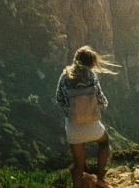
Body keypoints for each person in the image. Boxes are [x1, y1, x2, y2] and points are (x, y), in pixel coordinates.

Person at [56, 46, 119, 188]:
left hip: (73, 126)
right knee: (104, 142)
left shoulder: (64, 76)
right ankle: (101, 179)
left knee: (78, 165)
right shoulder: (91, 76)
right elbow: (101, 100)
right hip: (92, 124)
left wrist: (72, 110)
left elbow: (59, 99)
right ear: (91, 63)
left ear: (75, 60)